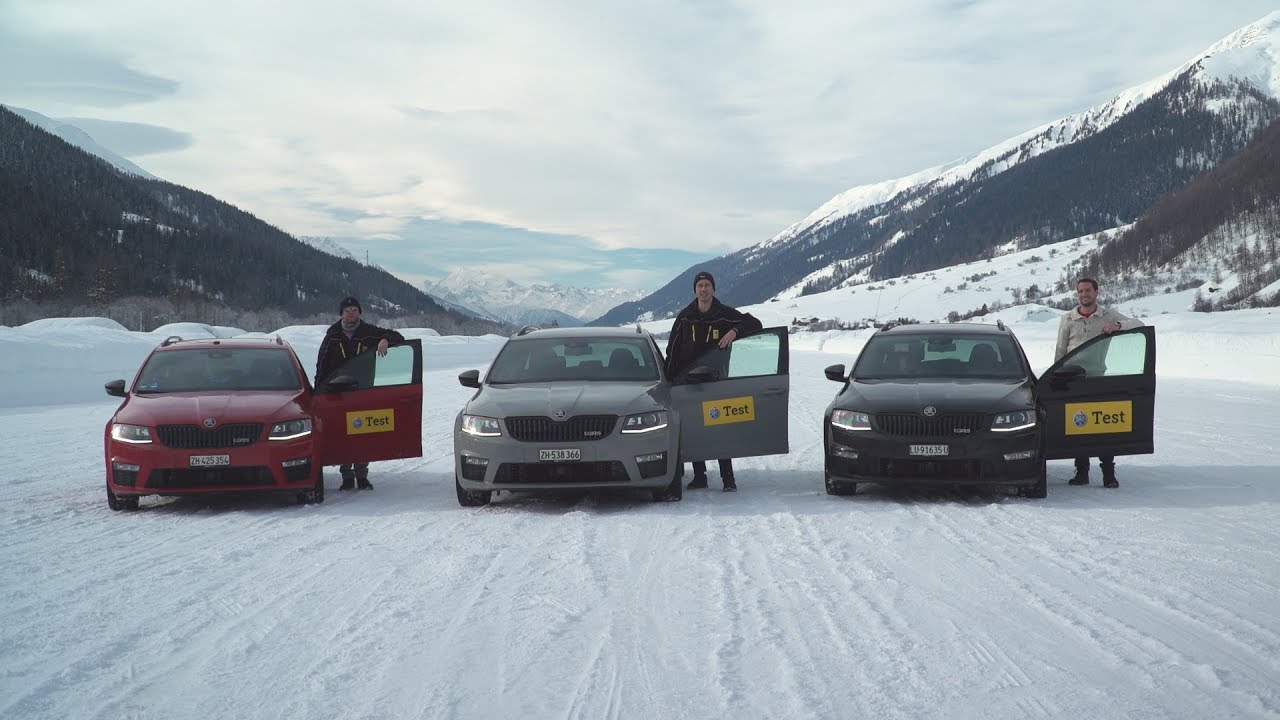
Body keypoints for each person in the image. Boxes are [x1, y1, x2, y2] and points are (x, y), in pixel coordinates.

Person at [664, 271, 763, 492]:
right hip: (689, 382)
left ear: (713, 289)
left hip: (717, 381)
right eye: (700, 285)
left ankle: (728, 479)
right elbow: (673, 349)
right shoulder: (685, 317)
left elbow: (755, 323)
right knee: (694, 428)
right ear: (695, 290)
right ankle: (700, 477)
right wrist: (669, 381)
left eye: (707, 285)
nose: (703, 289)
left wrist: (735, 331)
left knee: (720, 428)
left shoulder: (725, 315)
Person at [1055, 277, 1145, 489]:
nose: (1084, 295)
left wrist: (1118, 325)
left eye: (1088, 291)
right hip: (1072, 380)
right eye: (1080, 292)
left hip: (1097, 378)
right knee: (1078, 425)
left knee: (1103, 426)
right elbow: (1060, 350)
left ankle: (1109, 474)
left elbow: (1138, 324)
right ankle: (1082, 472)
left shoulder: (1107, 315)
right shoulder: (1068, 319)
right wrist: (1056, 376)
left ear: (1096, 292)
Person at [315, 296, 406, 490]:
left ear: (359, 312)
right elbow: (321, 364)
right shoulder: (332, 335)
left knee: (361, 433)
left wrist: (384, 340)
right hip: (337, 393)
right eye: (347, 310)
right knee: (342, 434)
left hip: (362, 392)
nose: (351, 313)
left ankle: (362, 476)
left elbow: (398, 336)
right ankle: (347, 477)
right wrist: (318, 392)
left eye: (354, 310)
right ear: (341, 313)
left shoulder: (369, 332)